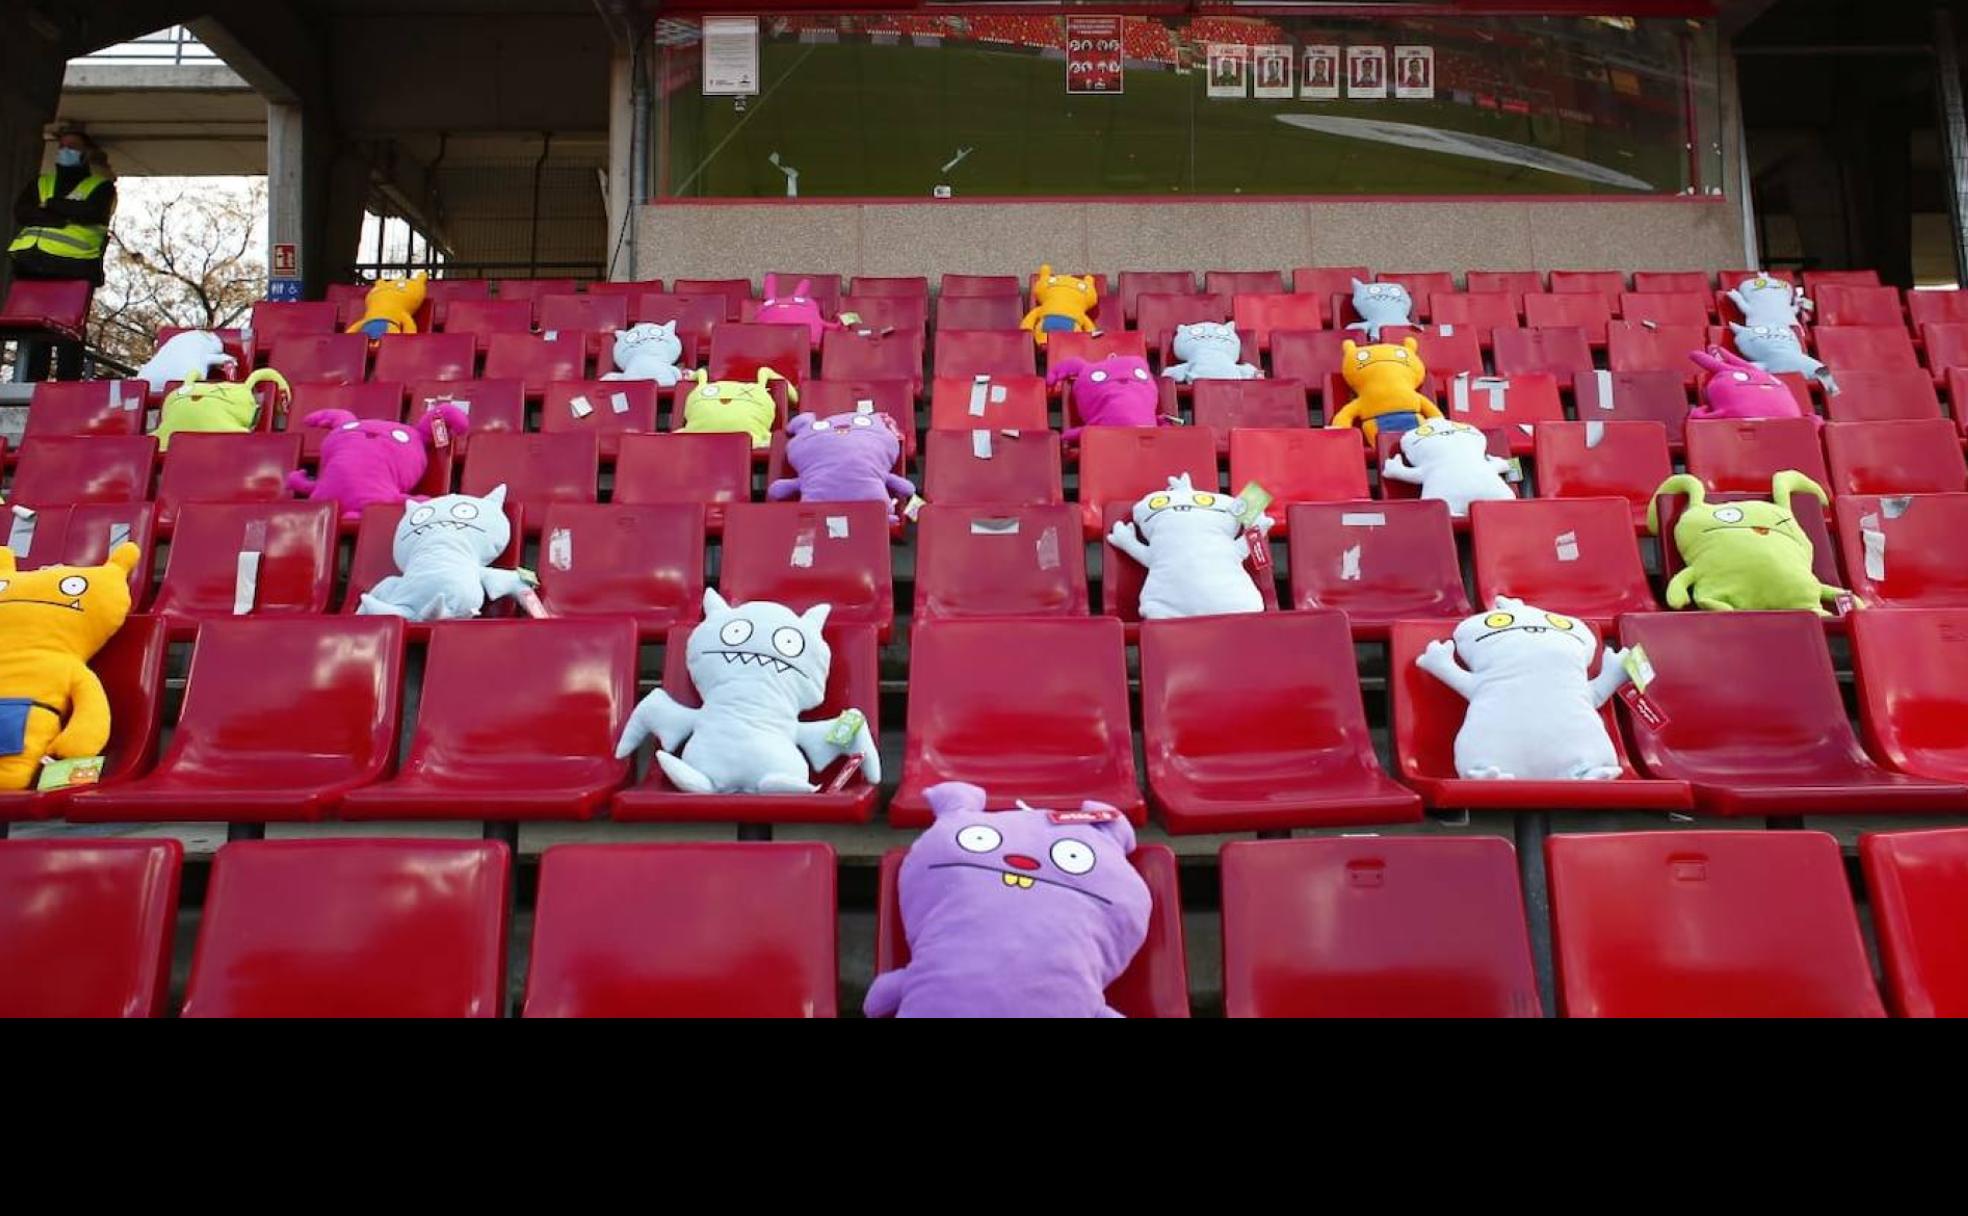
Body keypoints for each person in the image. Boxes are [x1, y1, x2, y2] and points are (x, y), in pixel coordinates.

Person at [10, 130, 116, 288]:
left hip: (73, 263)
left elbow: (91, 212)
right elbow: (22, 212)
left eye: (72, 147)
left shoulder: (101, 186)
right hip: (28, 260)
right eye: (62, 147)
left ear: (86, 154)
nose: (65, 151)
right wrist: (62, 217)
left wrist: (51, 205)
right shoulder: (42, 181)